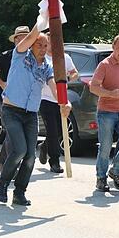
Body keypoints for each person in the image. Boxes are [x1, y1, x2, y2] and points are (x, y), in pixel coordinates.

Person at [0, 22, 70, 206]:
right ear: (32, 45)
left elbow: (54, 86)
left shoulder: (47, 67)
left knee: (31, 156)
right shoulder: (20, 56)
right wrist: (43, 19)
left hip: (30, 115)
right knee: (20, 150)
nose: (43, 49)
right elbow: (29, 37)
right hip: (11, 111)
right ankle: (2, 184)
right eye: (39, 45)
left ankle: (19, 192)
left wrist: (64, 102)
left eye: (46, 45)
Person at [89, 35, 119, 193]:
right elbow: (93, 87)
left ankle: (116, 172)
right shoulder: (104, 65)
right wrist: (110, 94)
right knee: (105, 146)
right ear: (113, 47)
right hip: (106, 112)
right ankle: (101, 177)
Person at [0, 26, 31, 172]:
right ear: (15, 40)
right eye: (21, 37)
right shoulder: (6, 56)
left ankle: (3, 162)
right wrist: (3, 84)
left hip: (26, 100)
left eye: (27, 37)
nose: (24, 40)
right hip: (6, 99)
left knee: (16, 133)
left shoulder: (33, 57)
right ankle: (9, 166)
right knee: (13, 132)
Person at [36, 33, 79, 173]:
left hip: (61, 99)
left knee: (61, 131)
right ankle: (54, 161)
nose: (52, 44)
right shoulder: (43, 59)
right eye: (49, 41)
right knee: (52, 130)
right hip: (45, 98)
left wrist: (67, 77)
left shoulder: (64, 58)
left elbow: (74, 73)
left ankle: (45, 146)